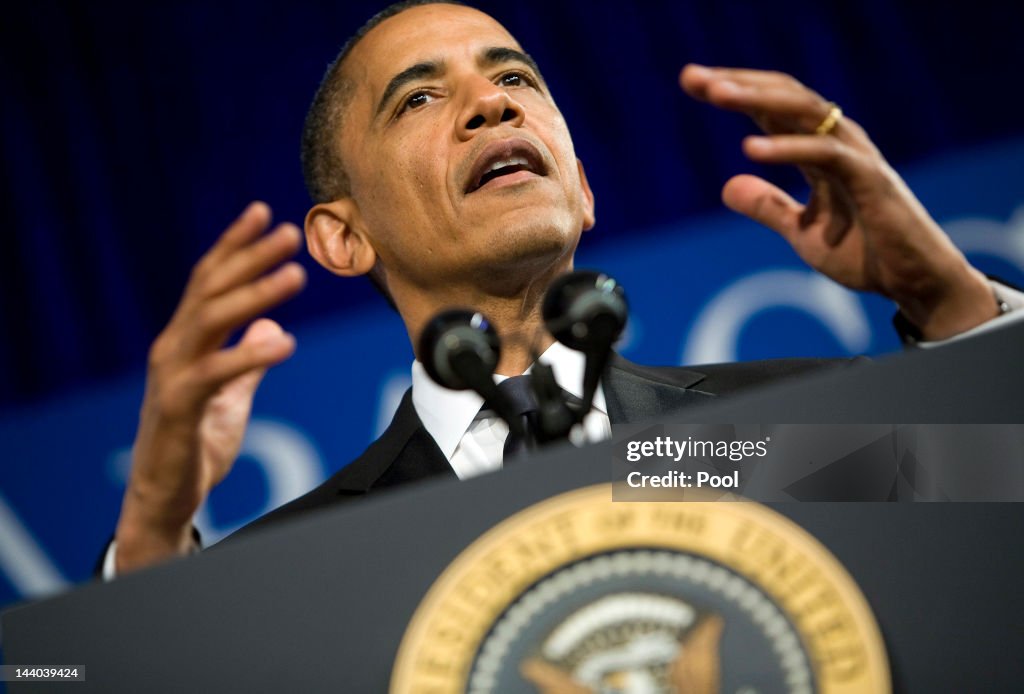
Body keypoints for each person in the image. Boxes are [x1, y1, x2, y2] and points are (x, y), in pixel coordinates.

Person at [106, 1, 1020, 576]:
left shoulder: (783, 435)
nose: (492, 103)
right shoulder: (296, 571)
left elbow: (997, 521)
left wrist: (954, 313)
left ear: (581, 189)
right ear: (343, 238)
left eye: (513, 77)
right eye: (419, 99)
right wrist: (152, 533)